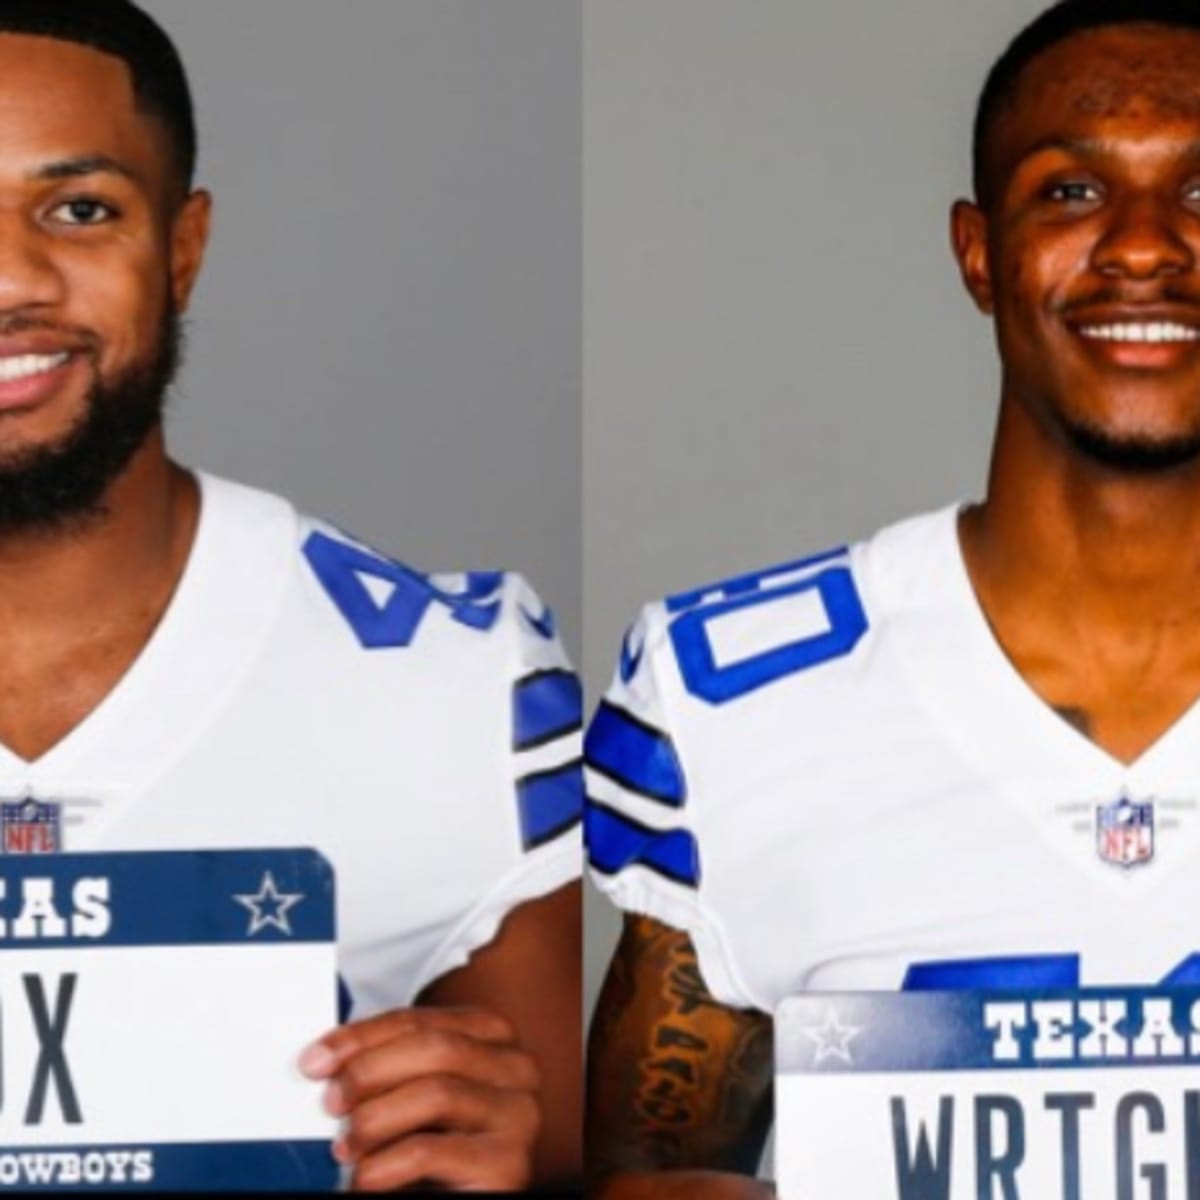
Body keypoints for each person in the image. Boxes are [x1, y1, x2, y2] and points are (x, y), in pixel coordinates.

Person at [584, 0, 1200, 1194]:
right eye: (1070, 193)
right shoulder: (734, 702)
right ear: (979, 254)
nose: (1141, 245)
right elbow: (648, 1173)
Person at [0, 0, 581, 1191]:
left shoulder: (455, 686)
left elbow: (578, 1153)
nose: (10, 276)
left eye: (78, 210)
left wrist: (516, 1168)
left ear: (182, 246)